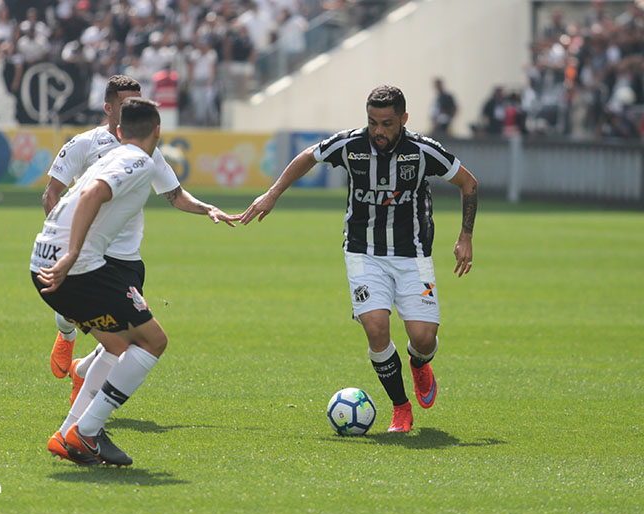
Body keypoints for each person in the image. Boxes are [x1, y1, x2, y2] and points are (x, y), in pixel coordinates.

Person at [239, 85, 478, 432]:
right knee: (376, 328)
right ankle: (401, 408)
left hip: (412, 254)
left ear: (404, 120)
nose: (378, 131)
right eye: (372, 122)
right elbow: (309, 156)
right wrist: (272, 194)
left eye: (386, 123)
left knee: (424, 338)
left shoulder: (423, 151)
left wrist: (465, 236)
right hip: (363, 252)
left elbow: (468, 183)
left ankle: (418, 362)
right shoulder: (350, 145)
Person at [40, 75, 237, 459]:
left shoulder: (146, 155)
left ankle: (80, 391)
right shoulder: (85, 145)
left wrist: (206, 208)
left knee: (121, 340)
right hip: (89, 257)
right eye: (126, 102)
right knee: (140, 340)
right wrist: (66, 243)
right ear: (109, 109)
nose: (132, 108)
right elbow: (55, 193)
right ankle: (79, 407)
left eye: (138, 102)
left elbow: (175, 195)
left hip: (127, 258)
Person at [31, 98, 167, 465]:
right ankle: (85, 431)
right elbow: (92, 194)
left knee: (118, 345)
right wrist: (73, 254)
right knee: (153, 341)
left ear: (121, 132)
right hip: (75, 267)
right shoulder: (139, 160)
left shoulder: (112, 155)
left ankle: (70, 434)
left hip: (41, 259)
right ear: (157, 130)